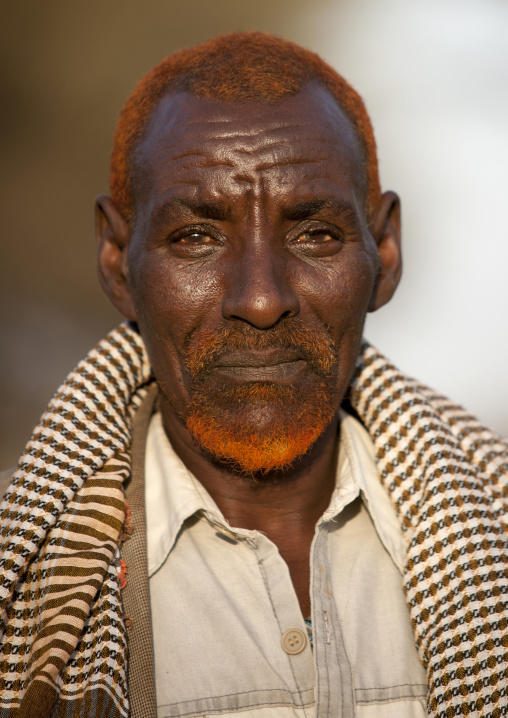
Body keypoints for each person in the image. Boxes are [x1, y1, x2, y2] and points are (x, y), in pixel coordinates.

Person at [0, 31, 506, 718]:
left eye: (316, 234)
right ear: (118, 262)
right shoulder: (24, 565)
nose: (262, 300)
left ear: (384, 252)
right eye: (196, 237)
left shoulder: (490, 528)